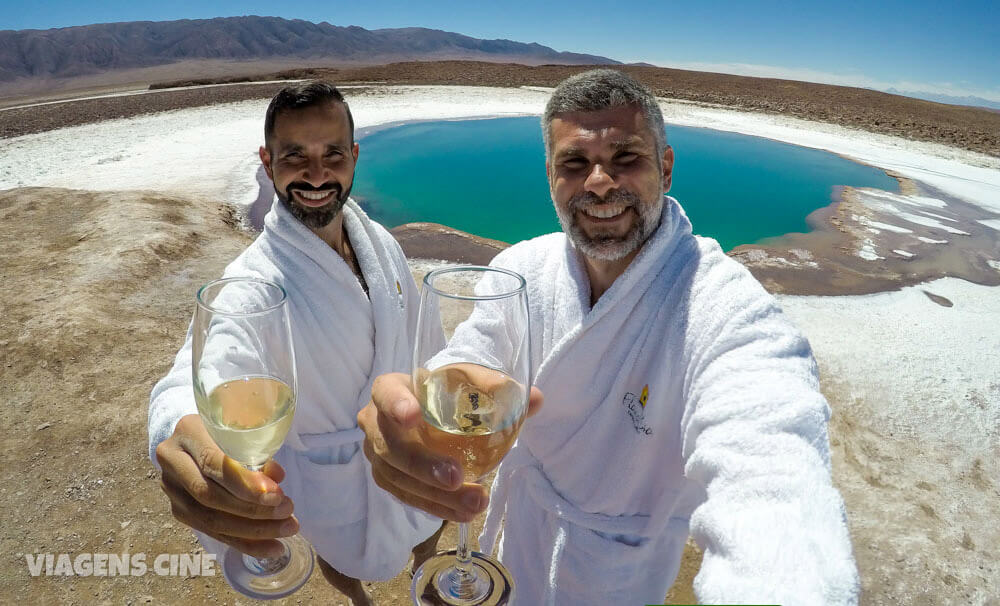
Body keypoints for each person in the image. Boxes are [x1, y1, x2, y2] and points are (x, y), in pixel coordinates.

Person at [358, 69, 861, 605]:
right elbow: (478, 350)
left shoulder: (726, 312)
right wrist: (432, 396)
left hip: (615, 579)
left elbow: (771, 474)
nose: (599, 182)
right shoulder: (521, 268)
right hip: (516, 541)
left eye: (627, 158)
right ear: (550, 174)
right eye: (574, 164)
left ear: (665, 168)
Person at [148, 81, 442, 605]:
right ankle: (358, 598)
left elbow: (423, 334)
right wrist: (176, 422)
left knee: (428, 522)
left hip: (407, 447)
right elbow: (212, 365)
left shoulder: (381, 243)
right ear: (266, 162)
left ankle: (430, 572)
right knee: (338, 554)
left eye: (332, 154)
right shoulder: (254, 280)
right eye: (294, 157)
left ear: (353, 157)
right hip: (335, 479)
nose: (315, 174)